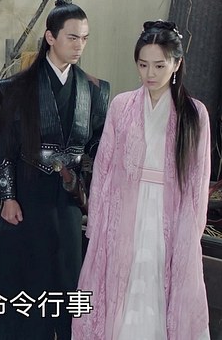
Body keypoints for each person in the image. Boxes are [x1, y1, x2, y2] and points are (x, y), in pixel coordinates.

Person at [72, 20, 211, 340]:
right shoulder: (122, 105)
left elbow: (198, 179)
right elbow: (104, 168)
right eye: (143, 64)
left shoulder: (194, 113)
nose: (150, 73)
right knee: (120, 278)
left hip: (169, 213)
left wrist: (192, 230)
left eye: (159, 65)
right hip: (123, 211)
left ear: (176, 64)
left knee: (159, 279)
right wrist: (98, 221)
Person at [0, 0, 110, 340]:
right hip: (27, 191)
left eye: (85, 38)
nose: (79, 45)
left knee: (68, 271)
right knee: (24, 273)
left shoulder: (96, 90)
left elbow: (98, 146)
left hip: (69, 196)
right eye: (72, 37)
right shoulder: (16, 88)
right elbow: (5, 148)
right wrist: (8, 197)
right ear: (51, 37)